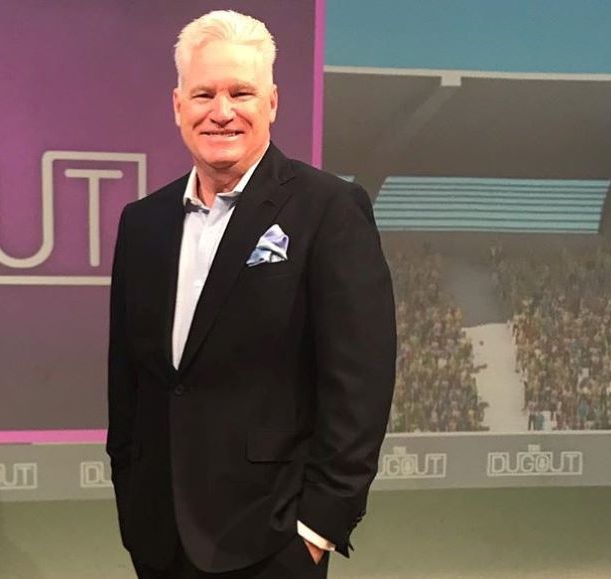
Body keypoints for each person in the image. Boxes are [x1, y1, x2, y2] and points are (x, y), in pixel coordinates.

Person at [106, 10, 396, 578]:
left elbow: (360, 383)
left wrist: (317, 529)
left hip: (272, 543)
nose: (221, 111)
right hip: (159, 540)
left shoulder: (328, 210)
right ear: (178, 105)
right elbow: (129, 382)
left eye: (240, 92)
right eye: (203, 94)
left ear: (272, 103)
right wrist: (132, 500)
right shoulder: (142, 223)